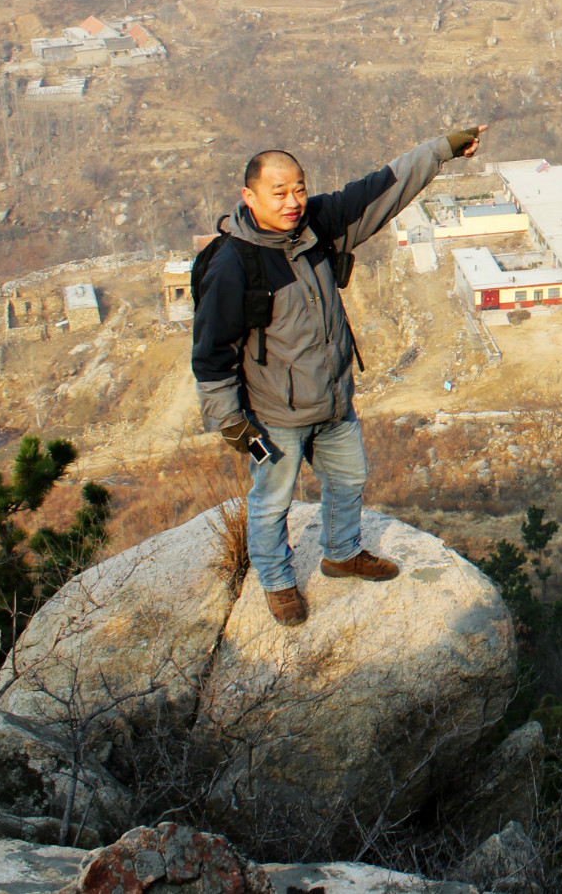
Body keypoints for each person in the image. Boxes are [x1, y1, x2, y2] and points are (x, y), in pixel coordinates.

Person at [192, 123, 484, 625]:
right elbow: (211, 354)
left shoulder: (316, 228)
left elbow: (382, 188)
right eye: (278, 192)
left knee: (349, 479)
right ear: (249, 195)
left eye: (298, 189)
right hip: (274, 415)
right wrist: (229, 420)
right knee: (271, 503)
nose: (292, 202)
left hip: (332, 400)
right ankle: (277, 580)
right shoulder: (234, 266)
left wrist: (442, 150)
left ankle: (342, 552)